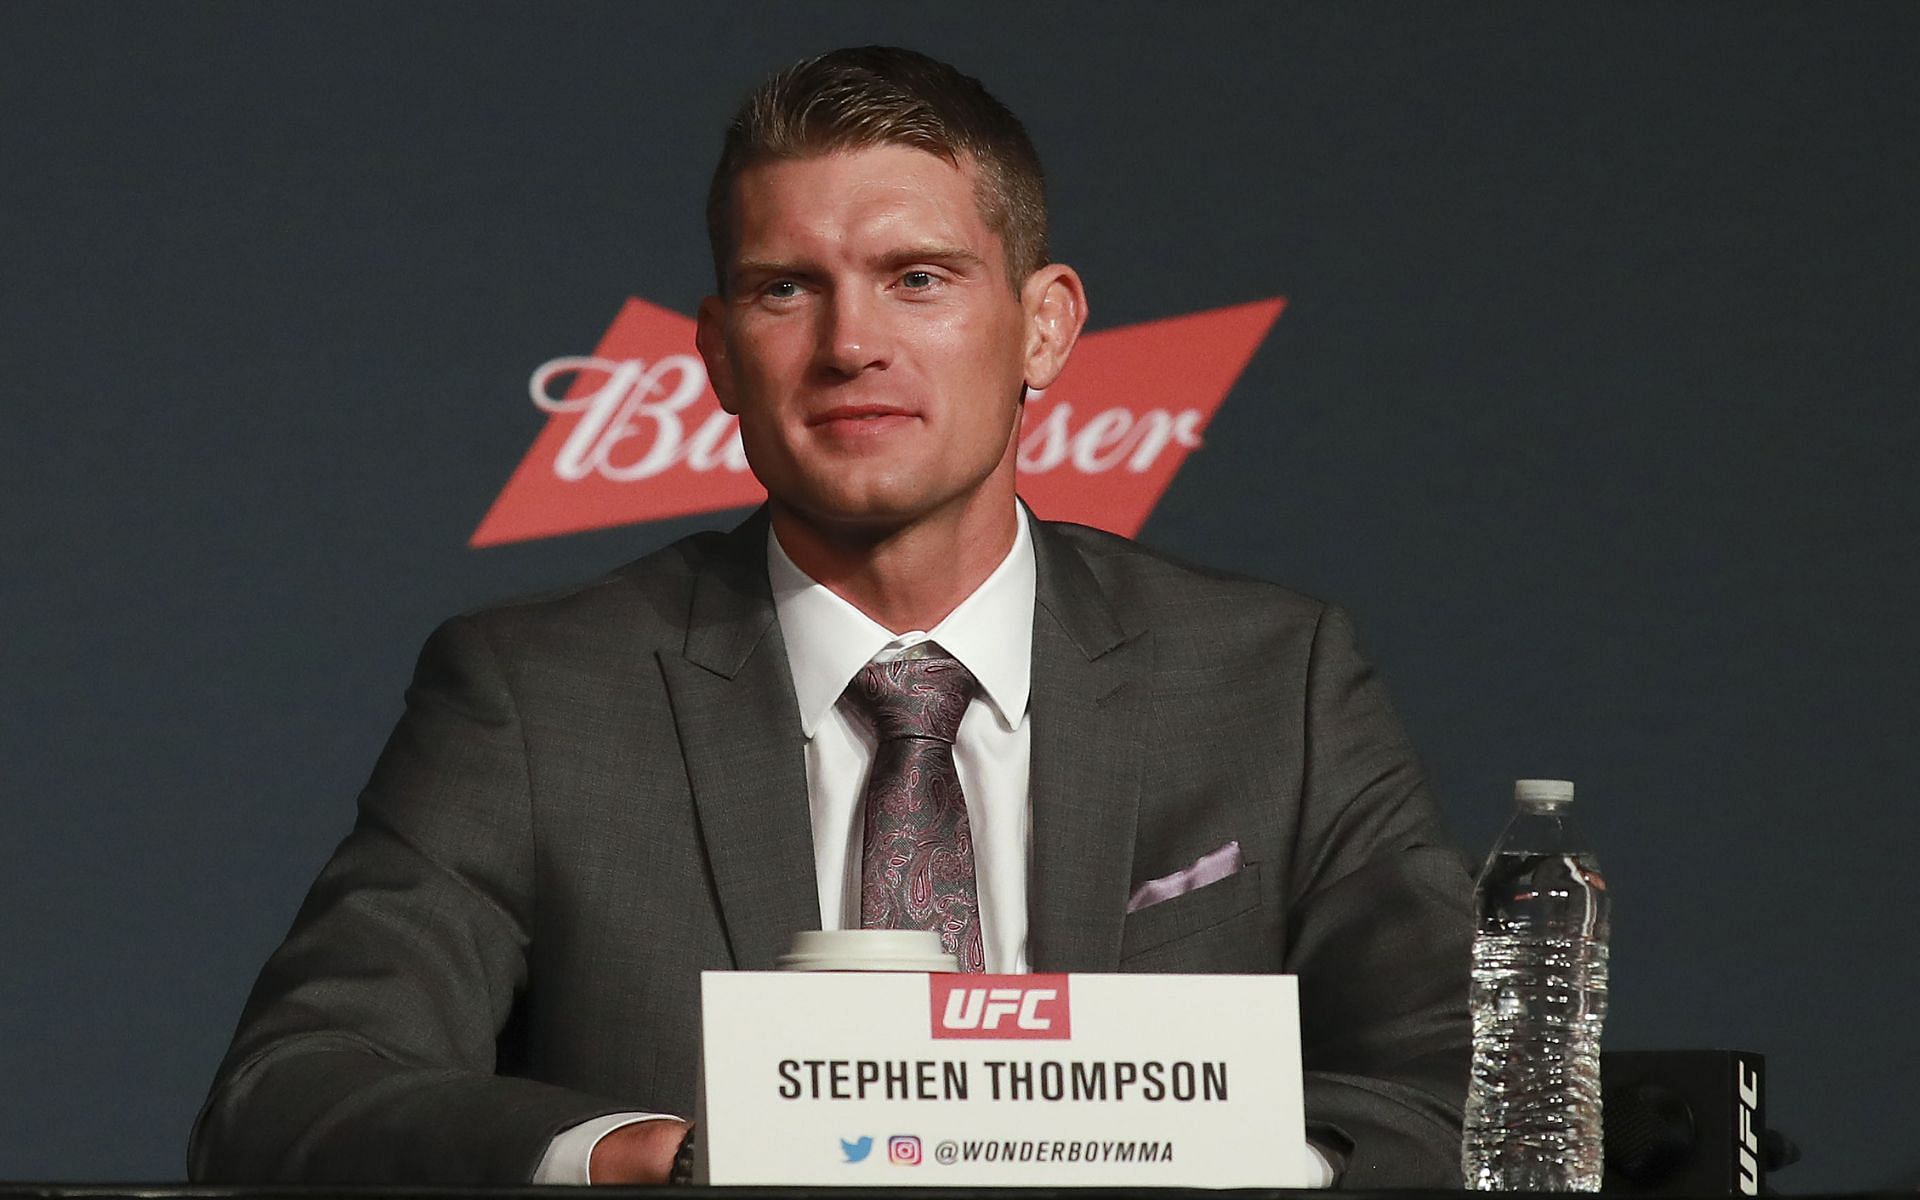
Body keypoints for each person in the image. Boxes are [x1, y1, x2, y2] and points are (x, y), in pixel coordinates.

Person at [190, 45, 1472, 1189]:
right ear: (715, 351)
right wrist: (637, 1161)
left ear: (1042, 325)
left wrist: (1232, 1165)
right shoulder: (537, 696)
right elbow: (294, 1092)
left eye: (918, 278)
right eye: (784, 289)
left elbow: (1465, 1081)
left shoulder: (1271, 678)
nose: (850, 341)